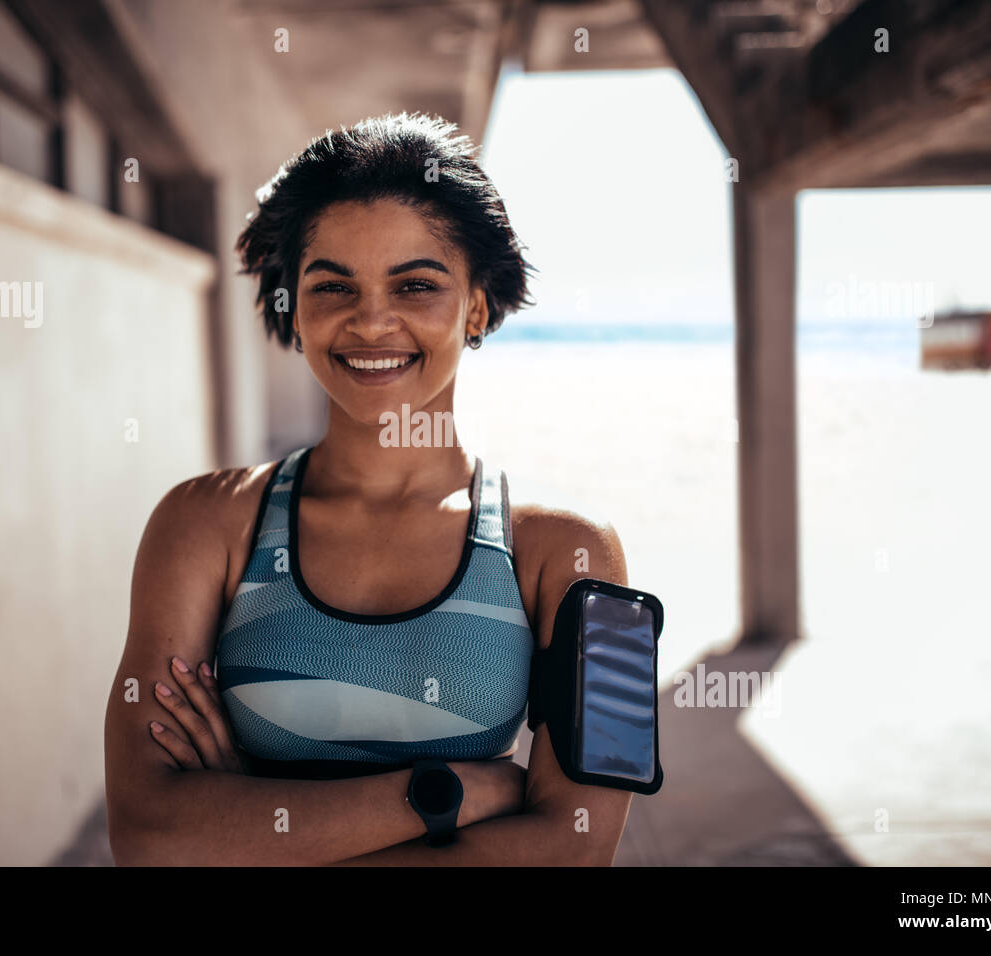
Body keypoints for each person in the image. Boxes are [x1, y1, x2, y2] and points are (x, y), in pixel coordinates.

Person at [104, 112, 632, 865]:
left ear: (476, 307)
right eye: (333, 286)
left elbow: (577, 849)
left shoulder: (582, 556)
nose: (371, 321)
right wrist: (448, 792)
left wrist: (249, 832)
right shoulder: (199, 523)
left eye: (416, 284)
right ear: (294, 306)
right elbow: (147, 836)